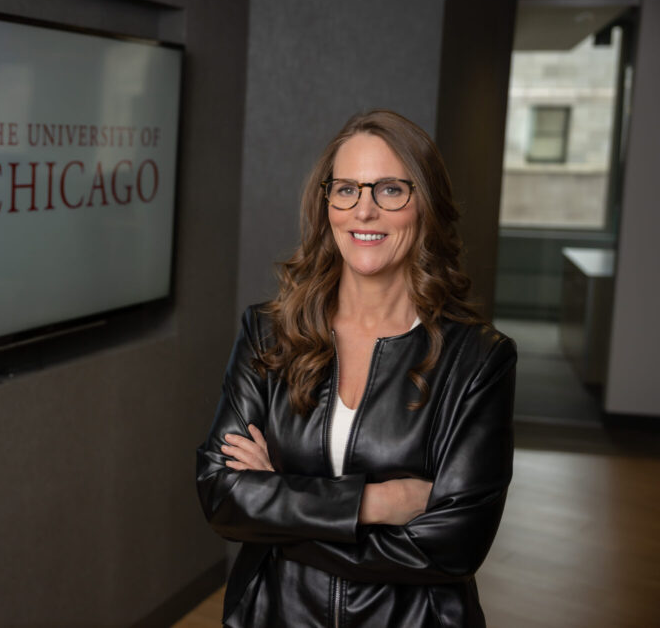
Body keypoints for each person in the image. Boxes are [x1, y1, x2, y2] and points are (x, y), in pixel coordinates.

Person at [196, 109, 516, 627]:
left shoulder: (478, 359)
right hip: (276, 615)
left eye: (390, 190)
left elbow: (453, 545)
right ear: (327, 205)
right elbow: (221, 494)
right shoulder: (270, 333)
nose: (363, 211)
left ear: (426, 205)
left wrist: (278, 502)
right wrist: (373, 503)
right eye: (346, 189)